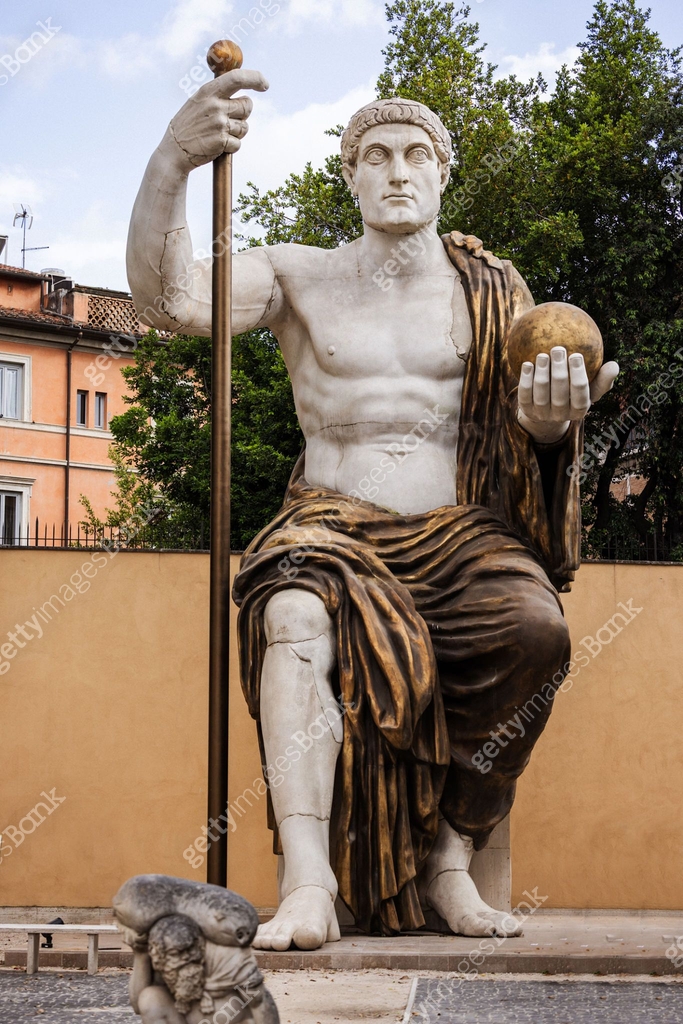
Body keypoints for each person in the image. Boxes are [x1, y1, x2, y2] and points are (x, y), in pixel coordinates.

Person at [127, 70, 619, 951]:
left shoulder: (497, 292)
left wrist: (548, 431)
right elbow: (168, 303)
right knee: (292, 616)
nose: (397, 171)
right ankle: (308, 880)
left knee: (534, 633)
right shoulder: (299, 277)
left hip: (461, 538)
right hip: (328, 528)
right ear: (349, 178)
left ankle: (448, 863)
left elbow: (525, 441)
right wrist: (174, 159)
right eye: (376, 156)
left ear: (442, 174)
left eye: (416, 154)